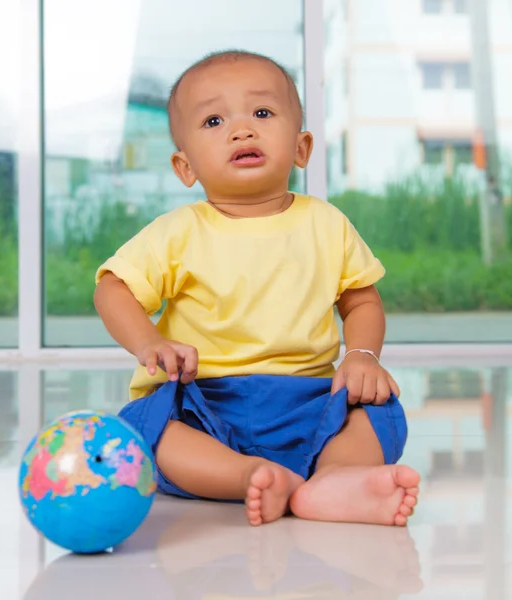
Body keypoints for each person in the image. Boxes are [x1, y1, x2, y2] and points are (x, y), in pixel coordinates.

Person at [94, 50, 420, 527]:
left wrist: (362, 357)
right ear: (185, 167)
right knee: (144, 430)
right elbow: (114, 287)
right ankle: (248, 474)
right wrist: (150, 343)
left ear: (302, 147)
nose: (241, 130)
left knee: (377, 410)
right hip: (202, 400)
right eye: (213, 120)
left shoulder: (326, 224)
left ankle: (332, 479)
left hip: (310, 398)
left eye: (262, 113)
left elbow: (361, 301)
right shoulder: (177, 232)